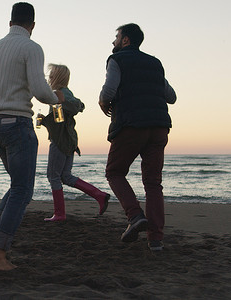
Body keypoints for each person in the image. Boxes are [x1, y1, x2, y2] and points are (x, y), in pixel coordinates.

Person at [0, 2, 63, 271]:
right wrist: (56, 99)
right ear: (31, 25)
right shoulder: (31, 47)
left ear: (10, 23)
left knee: (17, 184)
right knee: (22, 189)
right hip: (18, 123)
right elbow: (41, 90)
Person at [99, 23, 176, 251]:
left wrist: (103, 103)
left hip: (131, 125)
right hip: (159, 127)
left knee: (114, 172)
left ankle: (135, 216)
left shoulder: (117, 60)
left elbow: (109, 91)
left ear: (125, 40)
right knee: (153, 184)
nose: (113, 42)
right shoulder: (155, 63)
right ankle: (156, 240)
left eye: (116, 37)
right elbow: (171, 96)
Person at [38, 64, 110, 222]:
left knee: (53, 176)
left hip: (60, 141)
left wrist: (44, 121)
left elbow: (59, 120)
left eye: (51, 76)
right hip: (70, 140)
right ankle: (99, 195)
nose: (49, 78)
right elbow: (66, 116)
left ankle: (59, 213)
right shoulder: (67, 94)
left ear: (57, 77)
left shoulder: (58, 94)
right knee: (66, 176)